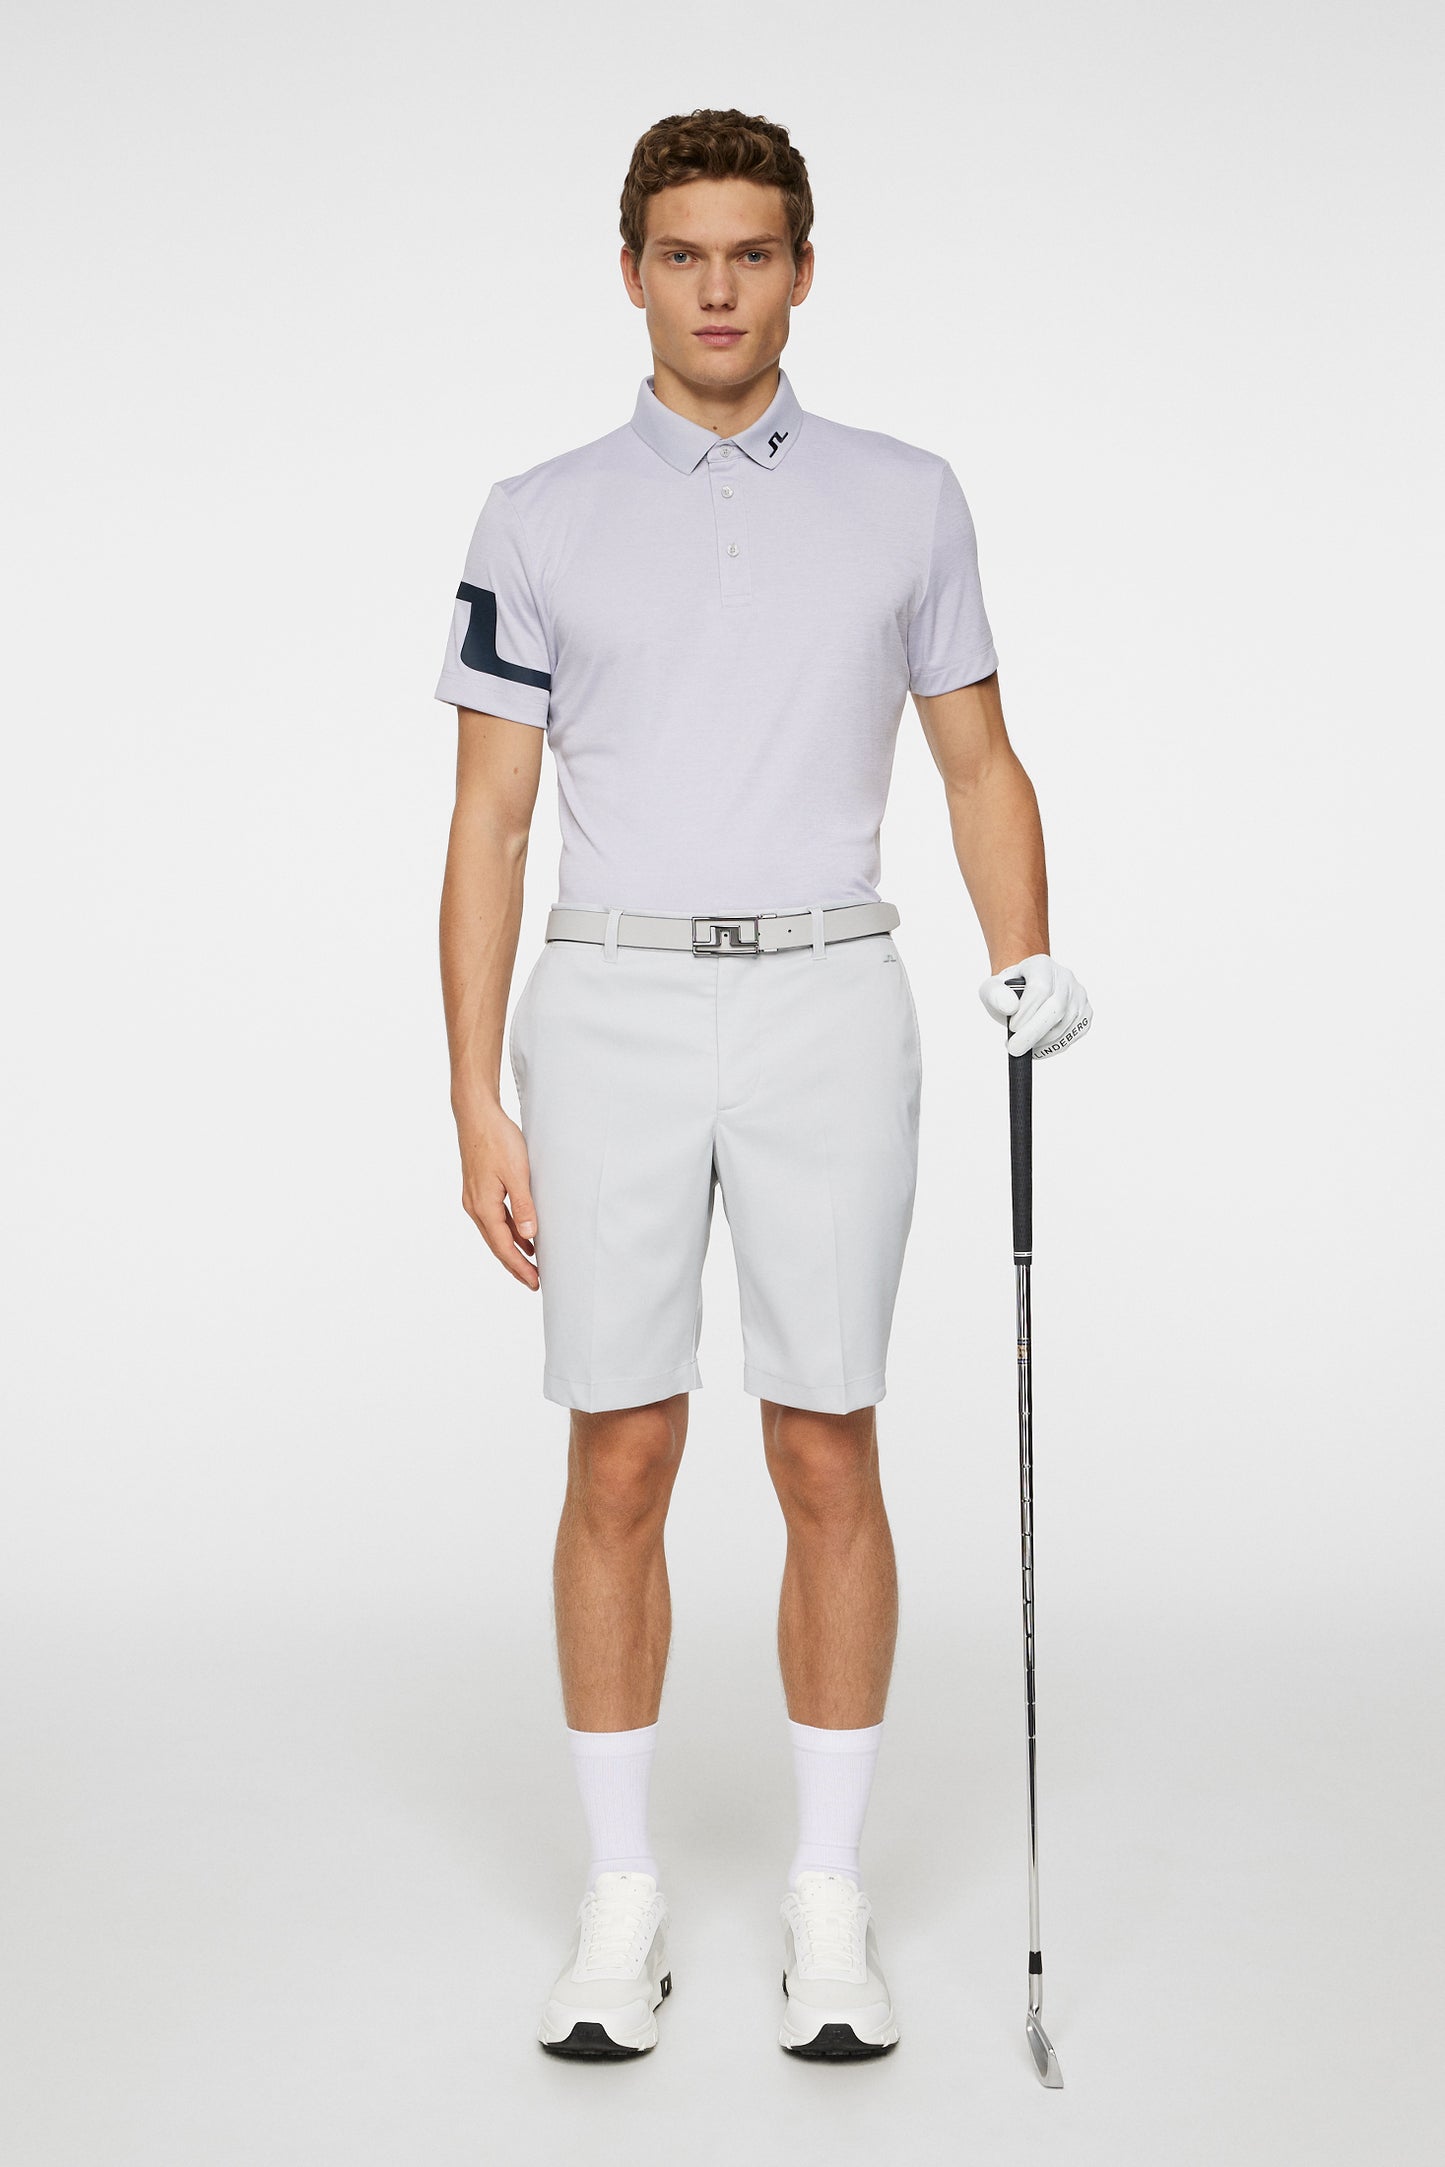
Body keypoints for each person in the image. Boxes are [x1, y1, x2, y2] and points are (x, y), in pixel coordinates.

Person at [435, 107, 1092, 2063]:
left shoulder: (907, 497)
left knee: (824, 1443)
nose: (716, 288)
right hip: (611, 1004)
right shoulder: (537, 514)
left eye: (751, 252)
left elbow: (976, 760)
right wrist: (474, 1097)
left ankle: (825, 1895)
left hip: (828, 995)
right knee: (618, 1450)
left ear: (801, 269)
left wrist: (1023, 949)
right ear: (631, 271)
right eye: (682, 253)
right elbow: (487, 826)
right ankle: (619, 1896)